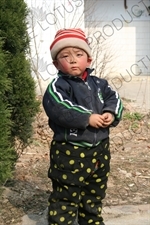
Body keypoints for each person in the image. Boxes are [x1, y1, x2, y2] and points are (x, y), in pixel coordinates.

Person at [43, 28, 123, 225]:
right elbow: (60, 108)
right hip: (69, 152)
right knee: (66, 196)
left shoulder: (100, 84)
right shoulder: (57, 87)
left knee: (94, 193)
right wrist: (87, 118)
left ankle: (92, 221)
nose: (72, 60)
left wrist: (110, 114)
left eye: (79, 55)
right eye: (65, 56)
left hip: (100, 151)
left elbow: (115, 99)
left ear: (88, 60)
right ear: (56, 64)